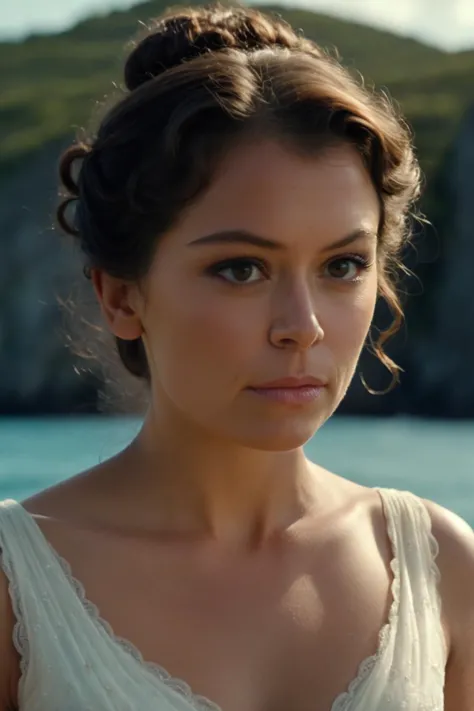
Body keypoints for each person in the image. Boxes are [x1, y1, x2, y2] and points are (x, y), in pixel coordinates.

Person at [1, 4, 473, 709]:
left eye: (343, 265)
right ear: (122, 296)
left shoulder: (440, 566)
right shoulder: (16, 590)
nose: (303, 326)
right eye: (242, 269)